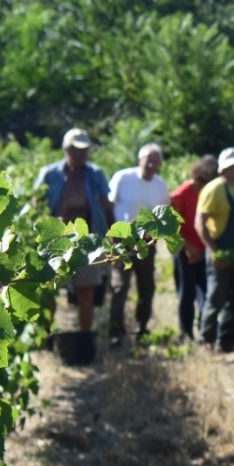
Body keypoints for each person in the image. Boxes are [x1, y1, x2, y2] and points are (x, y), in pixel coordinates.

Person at [35, 128, 114, 332]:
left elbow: (106, 205)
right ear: (66, 149)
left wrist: (113, 236)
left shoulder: (95, 174)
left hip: (87, 241)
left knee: (86, 291)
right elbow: (36, 204)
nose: (82, 154)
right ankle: (46, 336)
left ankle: (85, 336)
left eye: (85, 150)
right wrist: (47, 223)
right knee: (50, 290)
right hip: (55, 240)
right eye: (77, 150)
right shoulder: (50, 174)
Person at [106, 143, 171, 345]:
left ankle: (141, 327)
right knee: (120, 286)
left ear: (160, 164)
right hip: (121, 241)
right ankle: (116, 332)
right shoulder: (123, 178)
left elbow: (163, 216)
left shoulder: (161, 186)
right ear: (139, 161)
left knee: (147, 286)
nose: (151, 165)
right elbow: (109, 206)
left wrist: (155, 237)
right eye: (148, 160)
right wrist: (112, 237)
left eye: (155, 162)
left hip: (146, 242)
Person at [198, 147, 234, 353]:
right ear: (226, 168)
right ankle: (207, 339)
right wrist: (214, 251)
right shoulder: (214, 189)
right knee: (216, 297)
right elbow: (200, 223)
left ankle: (227, 340)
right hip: (220, 249)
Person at [169, 154, 218, 339]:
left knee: (207, 291)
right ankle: (186, 333)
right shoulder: (180, 195)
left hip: (204, 250)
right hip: (185, 251)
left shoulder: (211, 194)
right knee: (187, 293)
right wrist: (188, 248)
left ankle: (205, 329)